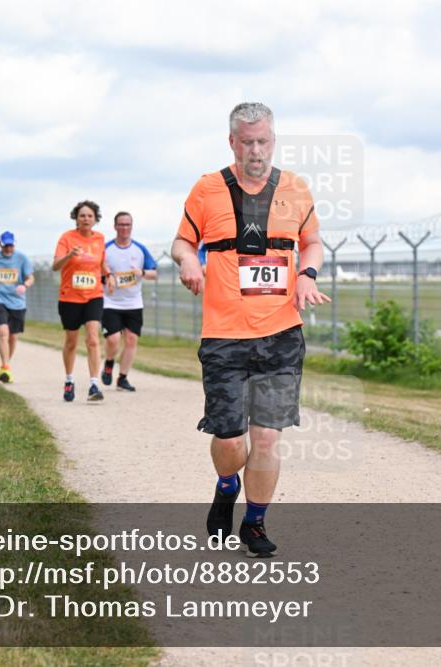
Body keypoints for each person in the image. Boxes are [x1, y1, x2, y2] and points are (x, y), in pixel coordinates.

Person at [170, 102, 331, 557]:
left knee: (266, 437)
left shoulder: (296, 188)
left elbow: (312, 241)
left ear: (272, 140)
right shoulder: (206, 189)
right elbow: (183, 240)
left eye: (263, 141)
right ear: (232, 142)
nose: (256, 151)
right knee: (230, 439)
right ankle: (226, 484)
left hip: (281, 333)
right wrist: (187, 262)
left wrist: (307, 275)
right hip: (223, 334)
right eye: (247, 142)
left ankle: (254, 523)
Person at [53, 200, 114, 402]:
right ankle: (69, 380)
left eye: (89, 215)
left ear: (95, 219)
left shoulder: (100, 239)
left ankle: (94, 384)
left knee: (93, 339)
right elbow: (55, 266)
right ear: (76, 218)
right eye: (82, 215)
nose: (86, 219)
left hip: (93, 296)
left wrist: (109, 275)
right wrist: (70, 255)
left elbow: (102, 262)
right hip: (70, 297)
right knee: (71, 342)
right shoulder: (67, 238)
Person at [102, 211, 158, 392]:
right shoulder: (106, 249)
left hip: (133, 302)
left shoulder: (140, 249)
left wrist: (142, 273)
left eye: (128, 225)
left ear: (131, 227)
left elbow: (154, 273)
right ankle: (109, 363)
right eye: (121, 224)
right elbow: (96, 272)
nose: (125, 228)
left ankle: (123, 378)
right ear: (115, 226)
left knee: (132, 339)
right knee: (113, 339)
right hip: (110, 302)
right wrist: (107, 278)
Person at [0, 231, 35, 383]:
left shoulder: (22, 258)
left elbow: (30, 277)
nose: (9, 249)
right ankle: (6, 367)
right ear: (0, 244)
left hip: (17, 302)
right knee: (3, 331)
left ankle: (5, 365)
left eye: (11, 245)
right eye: (6, 246)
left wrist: (25, 285)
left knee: (13, 337)